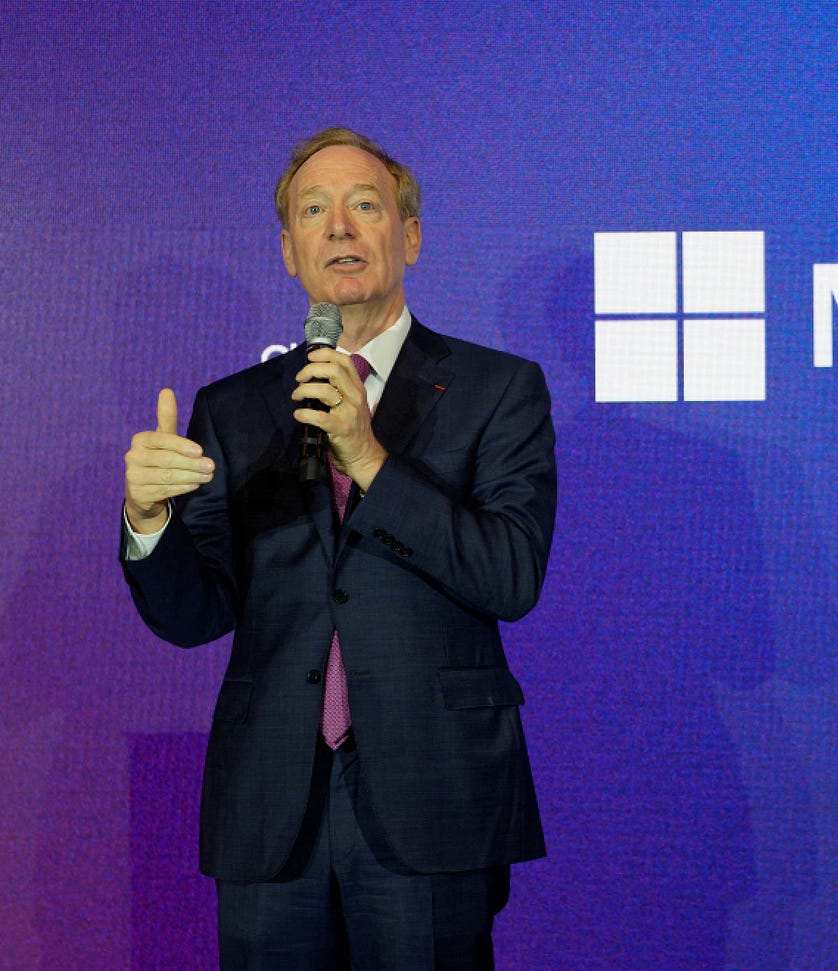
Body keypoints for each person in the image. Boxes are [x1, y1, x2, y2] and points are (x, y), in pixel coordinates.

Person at [120, 127, 556, 970]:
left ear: (411, 235)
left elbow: (510, 572)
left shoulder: (498, 389)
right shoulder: (235, 408)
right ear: (289, 252)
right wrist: (149, 522)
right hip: (271, 801)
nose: (340, 229)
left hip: (432, 792)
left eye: (365, 206)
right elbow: (196, 612)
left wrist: (370, 459)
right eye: (313, 211)